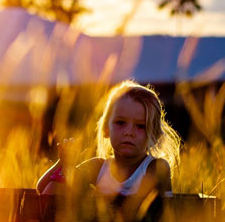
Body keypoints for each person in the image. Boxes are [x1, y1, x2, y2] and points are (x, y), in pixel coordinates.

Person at [37, 80, 181, 199]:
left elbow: (152, 212)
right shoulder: (99, 167)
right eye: (120, 123)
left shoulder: (155, 167)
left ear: (154, 135)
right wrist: (63, 163)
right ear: (106, 129)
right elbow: (43, 188)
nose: (128, 132)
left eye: (140, 126)